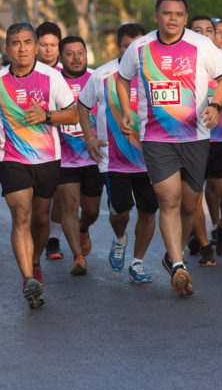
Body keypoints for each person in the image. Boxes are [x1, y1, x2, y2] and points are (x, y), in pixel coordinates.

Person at [117, 0, 222, 297]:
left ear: (185, 17)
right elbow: (122, 79)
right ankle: (180, 266)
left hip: (196, 136)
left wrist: (216, 106)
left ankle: (172, 255)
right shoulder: (139, 48)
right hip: (156, 138)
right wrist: (126, 109)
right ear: (155, 16)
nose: (172, 19)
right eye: (166, 13)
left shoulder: (201, 45)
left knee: (188, 203)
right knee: (168, 199)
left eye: (178, 14)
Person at [0, 22, 77, 308]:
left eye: (26, 42)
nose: (21, 48)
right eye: (15, 43)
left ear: (36, 47)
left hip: (47, 157)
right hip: (11, 157)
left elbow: (72, 115)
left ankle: (35, 262)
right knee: (20, 214)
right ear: (6, 49)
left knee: (40, 218)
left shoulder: (51, 78)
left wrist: (47, 115)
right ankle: (27, 279)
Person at [77, 23, 158, 283]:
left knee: (149, 211)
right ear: (118, 46)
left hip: (152, 159)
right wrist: (89, 137)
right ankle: (120, 238)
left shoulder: (155, 72)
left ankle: (138, 262)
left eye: (137, 45)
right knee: (120, 211)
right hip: (115, 161)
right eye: (126, 46)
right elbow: (82, 105)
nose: (132, 51)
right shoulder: (101, 75)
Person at [189, 16, 222, 265]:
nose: (204, 34)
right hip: (191, 138)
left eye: (209, 30)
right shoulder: (182, 62)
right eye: (197, 30)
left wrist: (218, 102)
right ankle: (204, 244)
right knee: (196, 194)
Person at [54, 35, 103, 275]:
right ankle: (77, 256)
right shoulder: (52, 80)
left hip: (93, 156)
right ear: (61, 57)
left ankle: (84, 228)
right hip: (63, 157)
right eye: (70, 53)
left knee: (92, 210)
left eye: (80, 52)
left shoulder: (96, 78)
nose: (76, 57)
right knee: (69, 205)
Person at [36, 21, 66, 259]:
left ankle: (53, 237)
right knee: (38, 201)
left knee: (61, 196)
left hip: (68, 145)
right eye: (43, 45)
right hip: (35, 146)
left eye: (53, 45)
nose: (48, 50)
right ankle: (38, 233)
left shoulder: (68, 72)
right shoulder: (24, 71)